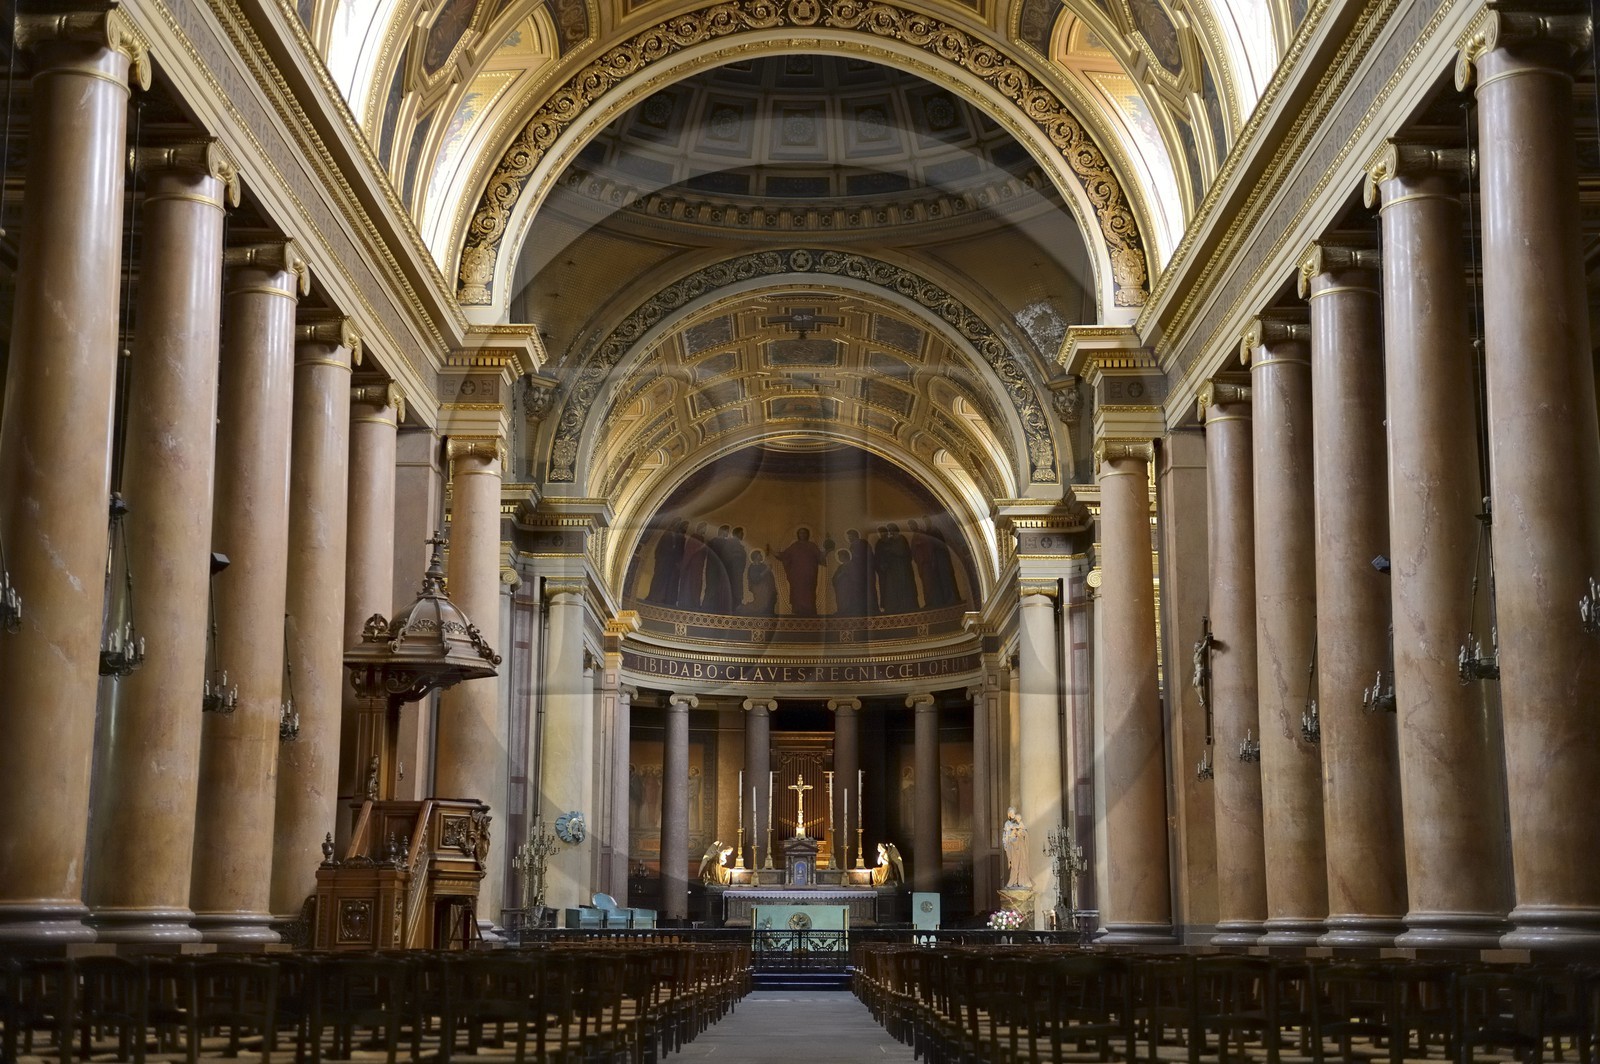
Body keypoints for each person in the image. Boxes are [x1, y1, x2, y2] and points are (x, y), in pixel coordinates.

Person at [776, 527, 825, 616]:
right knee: (797, 593)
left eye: (804, 533)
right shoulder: (794, 546)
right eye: (801, 533)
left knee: (809, 593)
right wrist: (772, 551)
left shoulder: (812, 546)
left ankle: (810, 610)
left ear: (808, 535)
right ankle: (797, 610)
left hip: (809, 575)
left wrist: (827, 549)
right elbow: (784, 555)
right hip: (797, 576)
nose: (803, 534)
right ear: (798, 535)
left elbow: (820, 558)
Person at [874, 523, 919, 613]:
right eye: (889, 530)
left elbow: (902, 552)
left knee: (904, 587)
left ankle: (906, 606)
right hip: (893, 569)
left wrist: (890, 550)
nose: (890, 532)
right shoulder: (890, 541)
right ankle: (894, 607)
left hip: (902, 568)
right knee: (892, 588)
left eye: (891, 529)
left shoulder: (901, 538)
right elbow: (884, 553)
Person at [1002, 806, 1031, 889]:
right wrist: (1007, 841)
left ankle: (1021, 881)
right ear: (1008, 814)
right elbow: (1005, 836)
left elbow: (1024, 832)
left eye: (1013, 813)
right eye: (1010, 813)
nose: (1012, 814)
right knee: (1014, 865)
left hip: (1019, 846)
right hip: (1012, 847)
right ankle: (1013, 881)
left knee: (1021, 864)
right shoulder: (1007, 824)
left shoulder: (1019, 823)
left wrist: (1019, 832)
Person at [745, 549, 777, 615]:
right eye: (760, 555)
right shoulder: (753, 567)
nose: (761, 556)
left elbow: (769, 577)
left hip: (767, 588)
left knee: (770, 601)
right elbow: (755, 579)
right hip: (759, 589)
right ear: (756, 557)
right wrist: (767, 570)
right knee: (761, 605)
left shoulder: (763, 566)